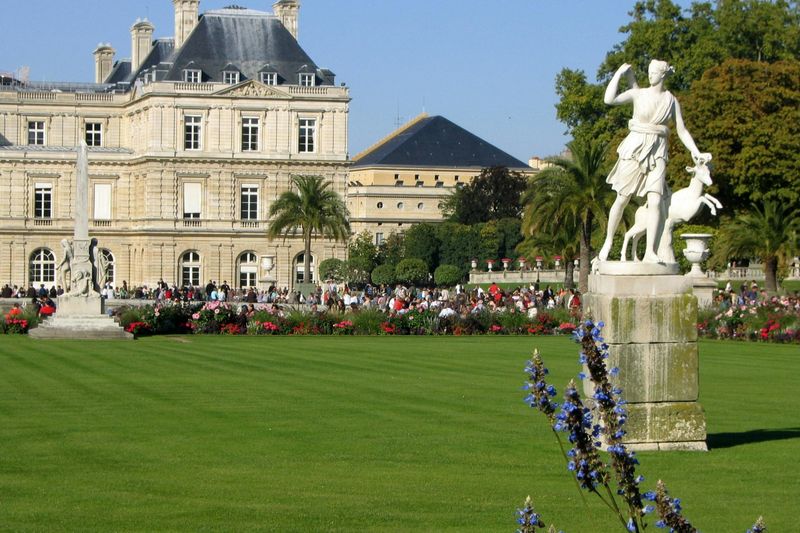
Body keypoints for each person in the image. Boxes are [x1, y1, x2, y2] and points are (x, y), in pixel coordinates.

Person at [598, 60, 710, 263]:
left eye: (654, 72)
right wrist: (618, 74)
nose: (650, 75)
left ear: (663, 75)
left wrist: (695, 151)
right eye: (648, 72)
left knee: (656, 201)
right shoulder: (638, 94)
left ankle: (650, 251)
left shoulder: (671, 100)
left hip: (658, 150)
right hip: (635, 148)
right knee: (622, 198)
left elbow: (681, 130)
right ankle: (607, 242)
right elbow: (609, 99)